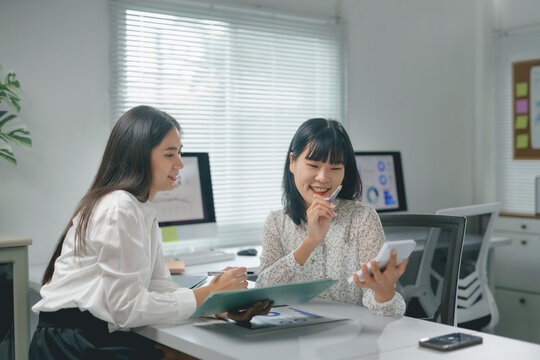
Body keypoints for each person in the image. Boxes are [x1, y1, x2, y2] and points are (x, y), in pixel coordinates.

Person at [29, 105, 271, 359]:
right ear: (138, 156)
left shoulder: (142, 208)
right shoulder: (120, 206)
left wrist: (214, 306)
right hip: (73, 344)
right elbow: (127, 308)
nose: (180, 164)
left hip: (91, 335)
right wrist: (207, 294)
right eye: (169, 155)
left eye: (179, 153)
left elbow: (158, 286)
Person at [256, 118, 408, 316]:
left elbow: (387, 311)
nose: (323, 178)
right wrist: (310, 242)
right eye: (313, 166)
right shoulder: (277, 222)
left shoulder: (362, 218)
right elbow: (263, 291)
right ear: (293, 162)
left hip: (351, 335)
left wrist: (383, 293)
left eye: (335, 168)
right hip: (295, 337)